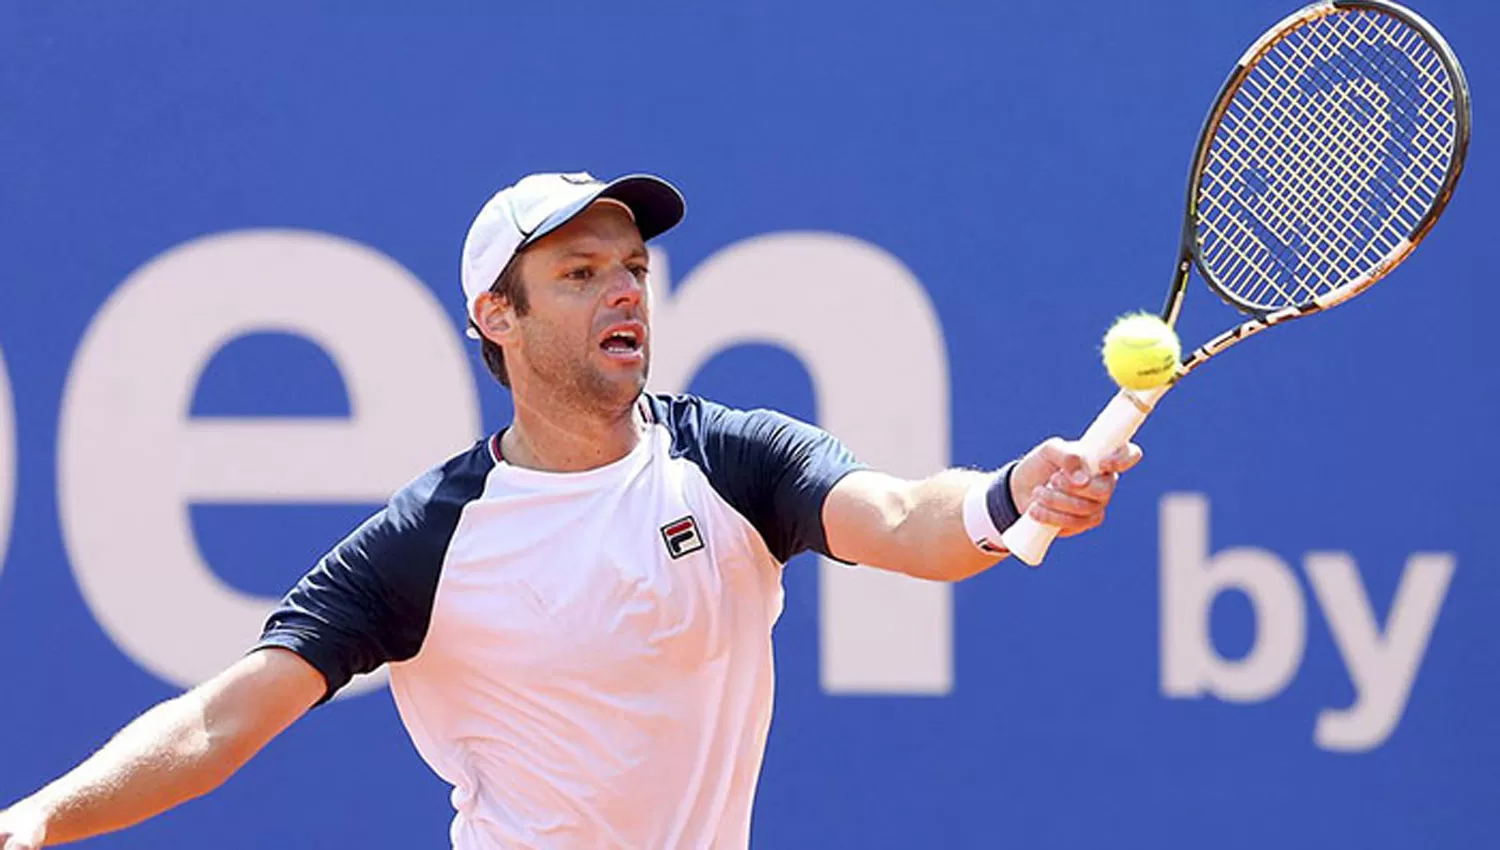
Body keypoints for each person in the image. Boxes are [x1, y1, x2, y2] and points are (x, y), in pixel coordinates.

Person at [0, 172, 1141, 850]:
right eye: (582, 272)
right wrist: (38, 821)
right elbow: (220, 720)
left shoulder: (732, 460)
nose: (625, 291)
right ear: (497, 317)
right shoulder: (426, 542)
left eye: (634, 267)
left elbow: (900, 517)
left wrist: (1006, 495)